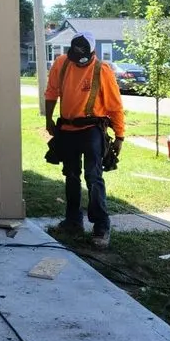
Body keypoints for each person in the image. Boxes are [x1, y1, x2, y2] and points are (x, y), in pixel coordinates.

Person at [44, 31, 125, 248]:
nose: (79, 62)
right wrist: (49, 119)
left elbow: (115, 105)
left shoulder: (102, 71)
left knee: (93, 176)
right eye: (75, 56)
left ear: (92, 53)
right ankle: (73, 221)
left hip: (92, 130)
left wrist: (119, 136)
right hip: (68, 128)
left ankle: (101, 226)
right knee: (71, 175)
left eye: (83, 58)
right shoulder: (62, 63)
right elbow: (51, 92)